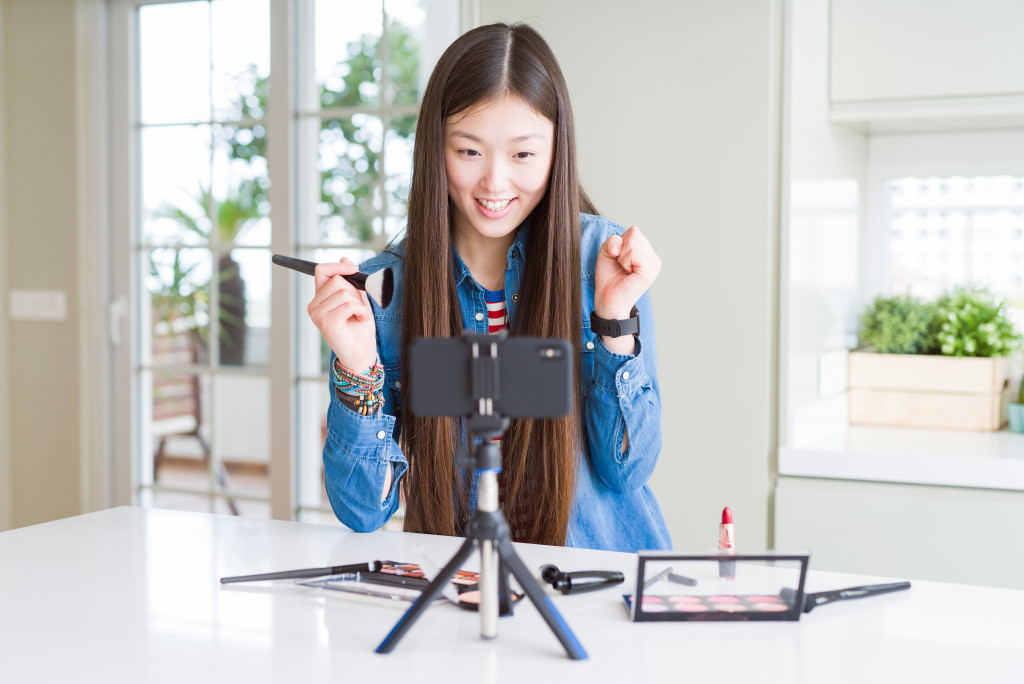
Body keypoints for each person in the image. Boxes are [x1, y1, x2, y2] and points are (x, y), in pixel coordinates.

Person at [306, 22, 670, 553]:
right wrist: (357, 368)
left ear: (555, 151)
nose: (495, 184)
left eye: (523, 155)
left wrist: (614, 320)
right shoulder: (386, 290)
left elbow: (628, 470)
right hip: (459, 593)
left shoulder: (604, 260)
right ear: (436, 148)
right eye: (469, 152)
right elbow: (362, 510)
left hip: (594, 588)